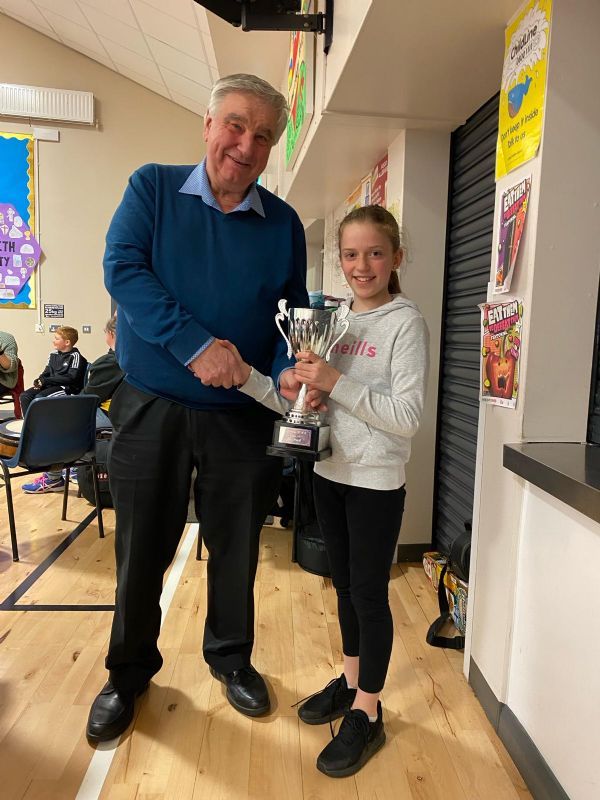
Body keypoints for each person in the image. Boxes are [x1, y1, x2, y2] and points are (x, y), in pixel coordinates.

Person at [86, 74, 312, 744]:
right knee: (140, 548)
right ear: (208, 124)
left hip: (242, 414)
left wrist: (288, 370)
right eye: (236, 125)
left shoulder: (284, 224)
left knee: (238, 547)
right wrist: (194, 346)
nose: (246, 145)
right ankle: (127, 673)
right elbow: (123, 270)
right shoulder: (152, 188)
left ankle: (231, 658)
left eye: (263, 136)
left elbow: (291, 317)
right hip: (150, 404)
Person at [227, 205, 429, 777]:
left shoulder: (405, 323)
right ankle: (350, 679)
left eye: (375, 253)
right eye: (351, 254)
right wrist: (260, 381)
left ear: (396, 258)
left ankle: (369, 709)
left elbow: (408, 417)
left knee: (369, 595)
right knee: (342, 587)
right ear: (339, 260)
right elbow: (306, 401)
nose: (362, 265)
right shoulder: (331, 321)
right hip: (328, 472)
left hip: (375, 482)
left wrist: (336, 381)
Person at [22, 316, 123, 494]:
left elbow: (88, 398)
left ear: (112, 334)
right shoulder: (139, 359)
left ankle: (57, 476)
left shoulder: (111, 362)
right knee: (28, 397)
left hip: (112, 415)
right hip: (127, 414)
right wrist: (42, 381)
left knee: (56, 420)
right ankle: (75, 466)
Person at [19, 326, 87, 420]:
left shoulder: (75, 356)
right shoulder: (53, 354)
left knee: (40, 398)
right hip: (51, 385)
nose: (53, 341)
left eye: (57, 339)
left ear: (67, 342)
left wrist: (46, 381)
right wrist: (40, 380)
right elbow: (46, 372)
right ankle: (29, 423)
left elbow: (71, 378)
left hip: (67, 388)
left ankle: (43, 424)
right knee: (25, 396)